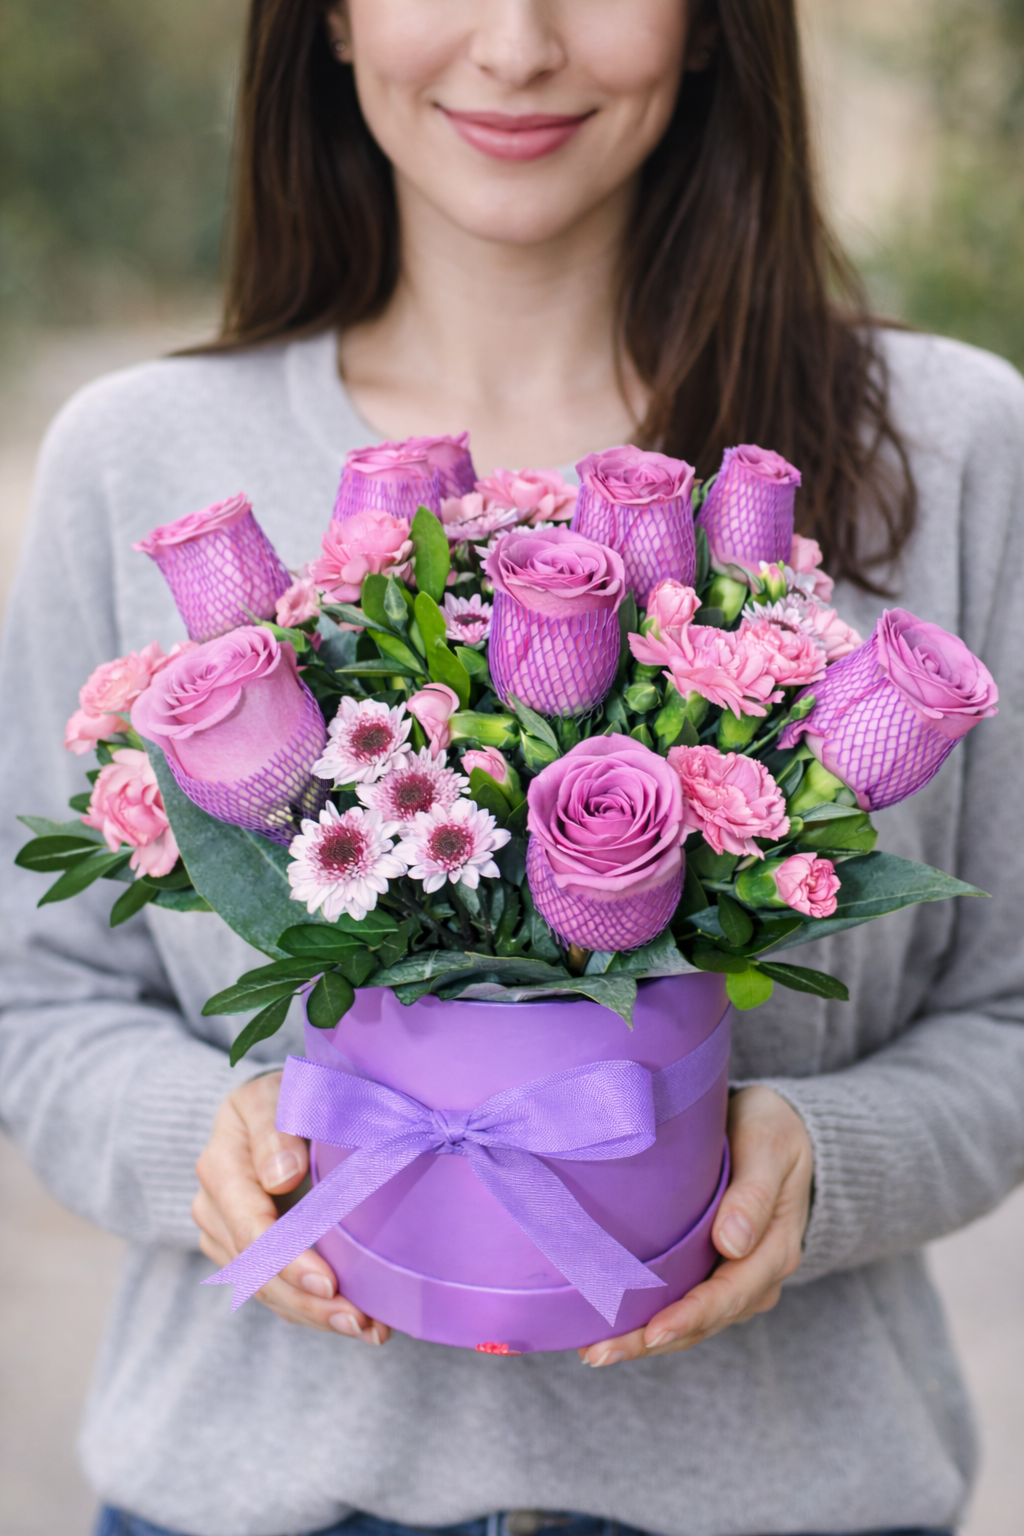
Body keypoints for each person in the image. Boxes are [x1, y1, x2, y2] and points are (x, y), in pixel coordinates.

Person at [0, 2, 1021, 1535]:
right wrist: (206, 1143)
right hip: (252, 1501)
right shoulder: (135, 453)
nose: (519, 43)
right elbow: (41, 998)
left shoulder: (952, 444)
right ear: (332, 20)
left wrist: (824, 1161)